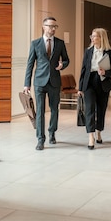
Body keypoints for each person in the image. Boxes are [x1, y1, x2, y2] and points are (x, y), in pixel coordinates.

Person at [24, 17, 70, 150]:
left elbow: (67, 60)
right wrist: (26, 84)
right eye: (51, 26)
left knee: (55, 109)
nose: (53, 29)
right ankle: (40, 139)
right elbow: (30, 64)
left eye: (55, 26)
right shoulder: (35, 43)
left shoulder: (60, 43)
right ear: (44, 27)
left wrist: (62, 65)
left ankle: (52, 132)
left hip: (55, 81)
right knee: (40, 111)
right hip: (39, 82)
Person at [78, 28, 111, 150]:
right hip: (89, 82)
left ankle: (99, 131)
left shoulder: (108, 52)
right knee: (89, 109)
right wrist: (80, 87)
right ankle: (91, 136)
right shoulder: (88, 51)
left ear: (101, 38)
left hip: (103, 82)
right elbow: (83, 69)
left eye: (95, 36)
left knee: (101, 109)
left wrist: (105, 72)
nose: (93, 38)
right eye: (92, 36)